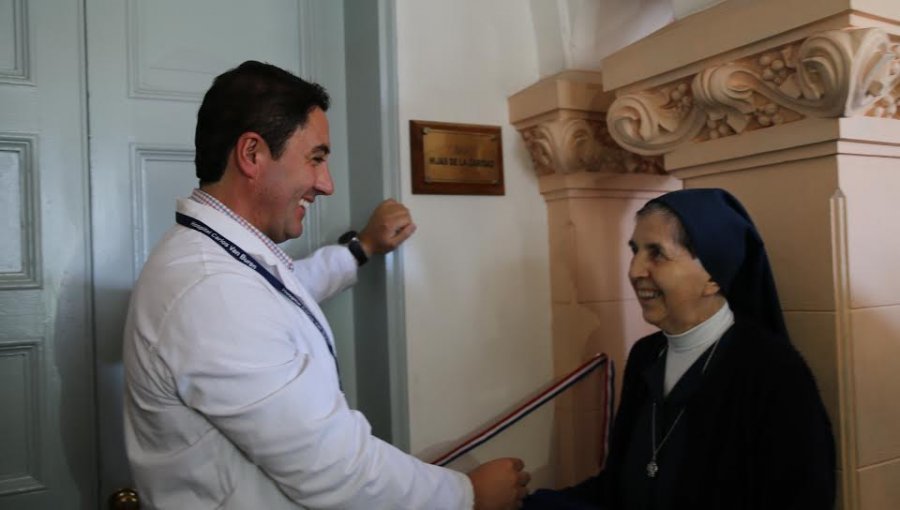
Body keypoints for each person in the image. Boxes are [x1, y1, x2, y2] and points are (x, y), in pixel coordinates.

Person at [123, 60, 529, 510]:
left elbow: (287, 290)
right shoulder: (210, 290)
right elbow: (334, 470)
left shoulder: (220, 263)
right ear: (253, 154)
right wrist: (467, 495)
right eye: (316, 158)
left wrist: (363, 249)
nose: (327, 183)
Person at [524, 188, 835, 509]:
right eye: (635, 251)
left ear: (713, 276)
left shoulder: (772, 370)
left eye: (656, 253)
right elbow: (619, 486)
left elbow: (802, 497)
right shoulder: (646, 355)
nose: (634, 270)